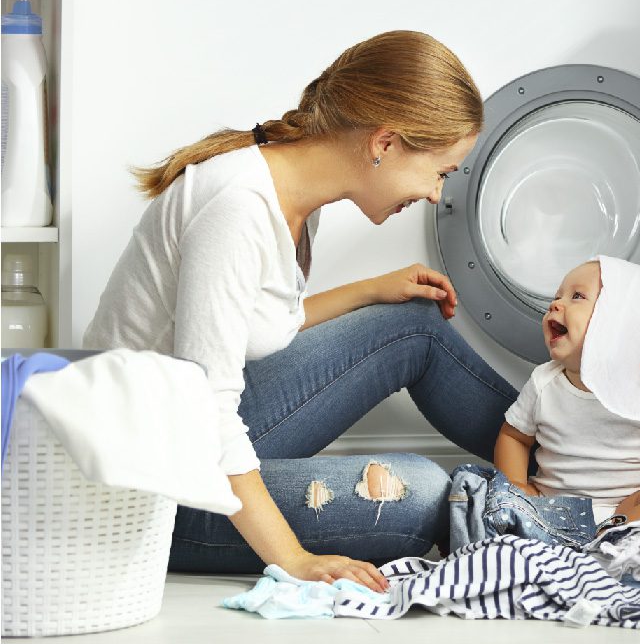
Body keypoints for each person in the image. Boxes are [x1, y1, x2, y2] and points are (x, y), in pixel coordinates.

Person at [82, 30, 518, 593]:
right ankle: (541, 505)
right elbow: (207, 410)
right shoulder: (237, 209)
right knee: (418, 493)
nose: (437, 194)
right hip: (152, 489)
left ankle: (573, 469)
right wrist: (293, 559)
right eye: (441, 171)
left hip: (186, 435)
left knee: (412, 321)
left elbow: (250, 326)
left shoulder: (293, 196)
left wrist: (368, 290)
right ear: (384, 142)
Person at [493, 259, 640, 531]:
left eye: (577, 296)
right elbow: (514, 437)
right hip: (553, 506)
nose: (555, 304)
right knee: (484, 495)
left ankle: (613, 532)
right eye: (557, 296)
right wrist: (517, 485)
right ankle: (592, 536)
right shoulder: (544, 382)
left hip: (628, 507)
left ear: (617, 319)